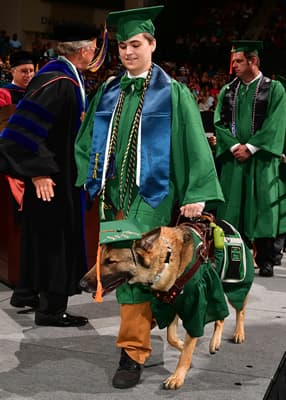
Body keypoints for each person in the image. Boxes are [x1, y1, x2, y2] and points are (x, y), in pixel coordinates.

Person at [75, 6, 226, 389]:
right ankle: (137, 344)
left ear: (152, 44)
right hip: (115, 199)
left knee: (136, 272)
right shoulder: (109, 91)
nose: (128, 52)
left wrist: (196, 194)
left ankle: (131, 353)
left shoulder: (174, 93)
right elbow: (85, 140)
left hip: (152, 199)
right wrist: (88, 176)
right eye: (123, 45)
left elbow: (195, 144)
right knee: (121, 271)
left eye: (136, 44)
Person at [0, 22, 100, 327]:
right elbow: (17, 134)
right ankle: (52, 310)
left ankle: (29, 293)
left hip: (57, 175)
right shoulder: (59, 81)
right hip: (53, 179)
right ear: (83, 50)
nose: (96, 52)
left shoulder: (66, 76)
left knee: (41, 238)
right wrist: (39, 172)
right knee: (55, 243)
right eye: (94, 48)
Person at [214, 40, 286, 278]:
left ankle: (266, 260)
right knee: (233, 209)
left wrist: (252, 148)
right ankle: (235, 258)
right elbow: (219, 123)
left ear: (252, 61)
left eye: (238, 61)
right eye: (233, 61)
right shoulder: (228, 91)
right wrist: (235, 146)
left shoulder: (274, 89)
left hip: (262, 160)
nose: (233, 65)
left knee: (263, 207)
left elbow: (275, 123)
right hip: (235, 160)